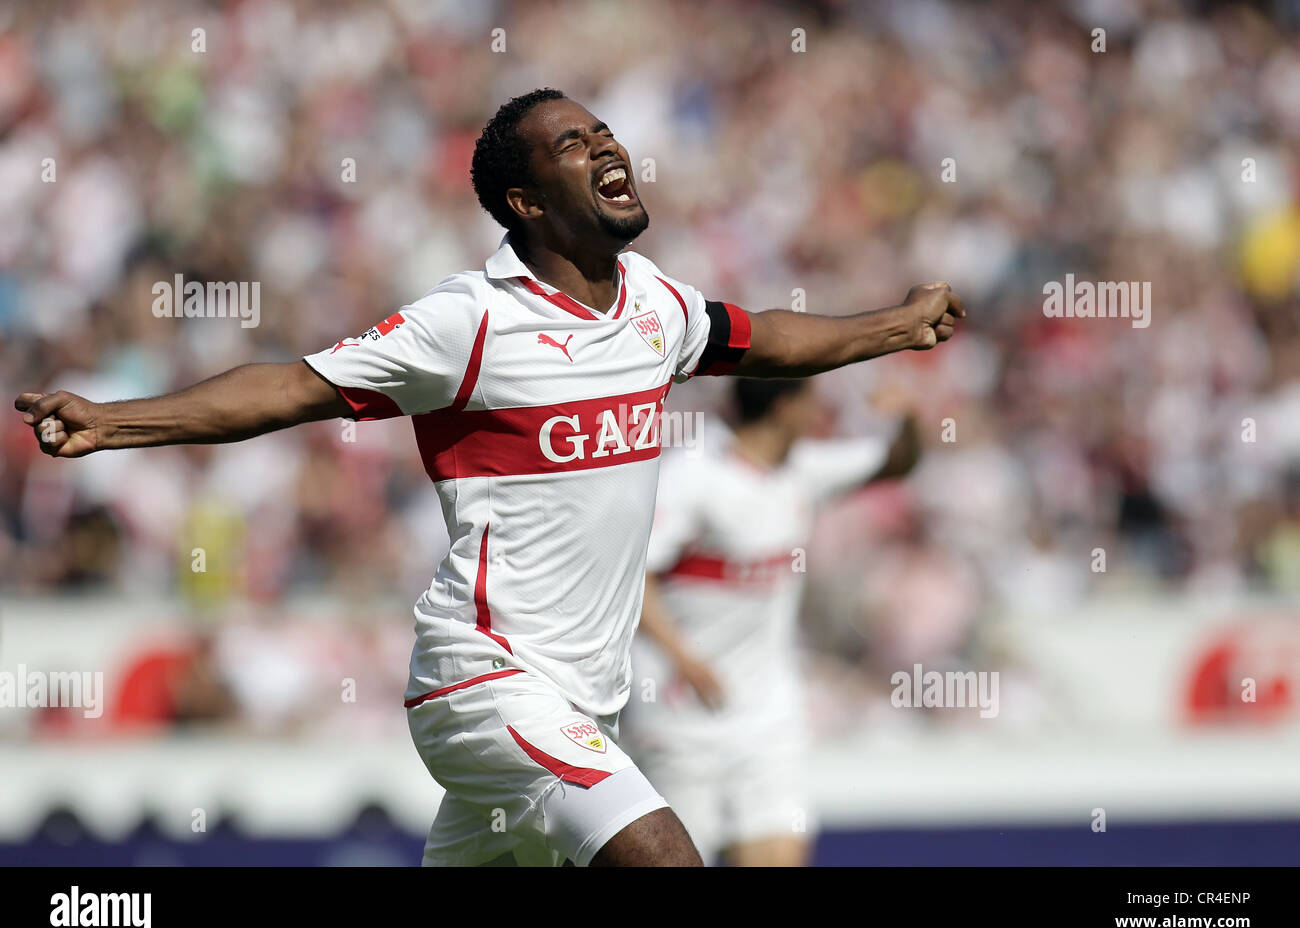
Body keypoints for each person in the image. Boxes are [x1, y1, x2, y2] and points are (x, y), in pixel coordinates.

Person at [14, 88, 963, 867]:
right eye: (570, 144)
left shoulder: (656, 304)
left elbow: (767, 338)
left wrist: (896, 325)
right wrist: (114, 421)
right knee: (666, 861)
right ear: (526, 202)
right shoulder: (468, 321)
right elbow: (293, 388)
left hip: (583, 701)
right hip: (487, 681)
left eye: (603, 130)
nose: (604, 145)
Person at [625, 378, 919, 866]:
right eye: (811, 401)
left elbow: (897, 462)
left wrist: (907, 418)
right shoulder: (692, 476)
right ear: (785, 407)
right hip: (681, 719)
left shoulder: (801, 470)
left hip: (767, 720)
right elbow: (634, 577)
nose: (820, 412)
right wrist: (684, 658)